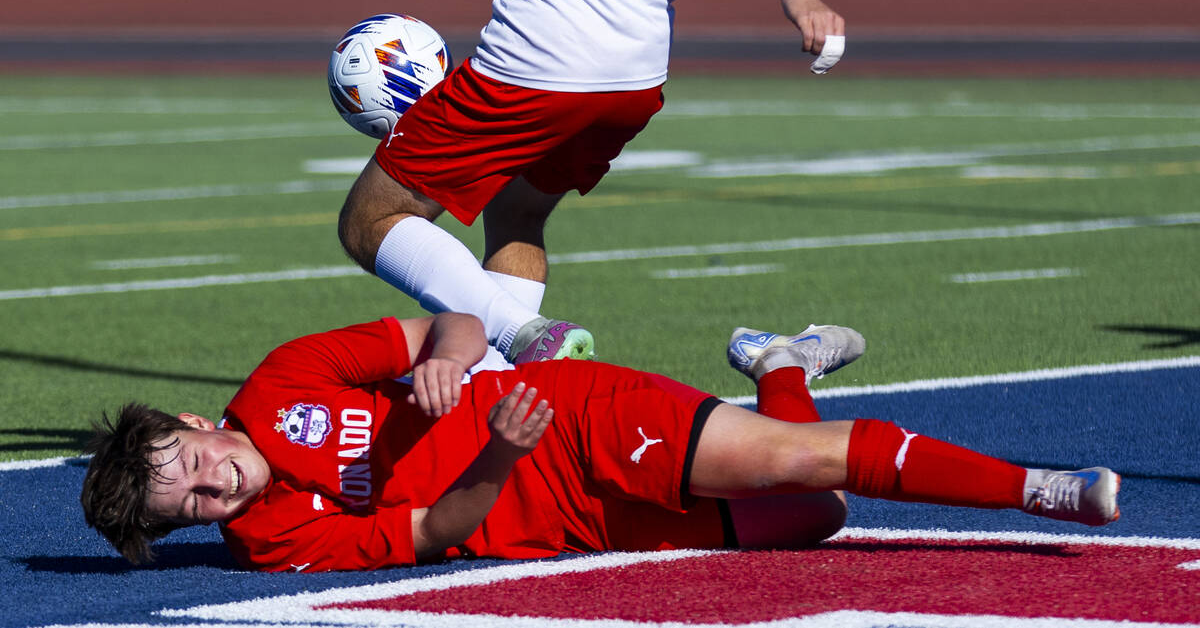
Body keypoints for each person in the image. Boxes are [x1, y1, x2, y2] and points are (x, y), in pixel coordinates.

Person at [81, 313, 1120, 572]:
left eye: (195, 468)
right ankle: (783, 364)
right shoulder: (274, 544)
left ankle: (1042, 490)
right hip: (564, 514)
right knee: (814, 513)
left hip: (571, 415)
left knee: (800, 461)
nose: (213, 491)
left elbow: (444, 325)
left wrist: (450, 354)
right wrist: (494, 452)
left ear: (195, 425)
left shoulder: (281, 379)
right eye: (192, 509)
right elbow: (440, 527)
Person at [336, 0, 847, 363]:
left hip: (541, 56)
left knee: (371, 219)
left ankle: (521, 335)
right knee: (517, 210)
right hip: (638, 75)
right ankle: (495, 383)